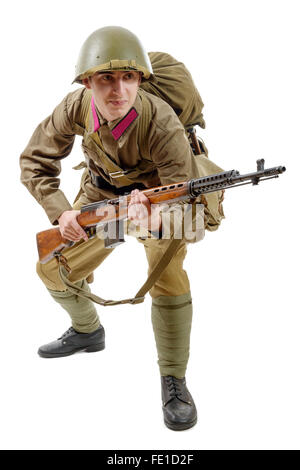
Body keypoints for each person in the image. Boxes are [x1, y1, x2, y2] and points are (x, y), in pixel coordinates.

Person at [20, 26, 209, 431]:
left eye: (128, 77)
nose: (117, 90)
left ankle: (173, 378)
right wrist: (61, 213)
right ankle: (87, 331)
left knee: (168, 276)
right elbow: (35, 162)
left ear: (140, 79)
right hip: (101, 199)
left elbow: (185, 207)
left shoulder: (160, 122)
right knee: (53, 267)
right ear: (87, 81)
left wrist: (156, 218)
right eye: (106, 78)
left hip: (157, 200)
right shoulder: (74, 107)